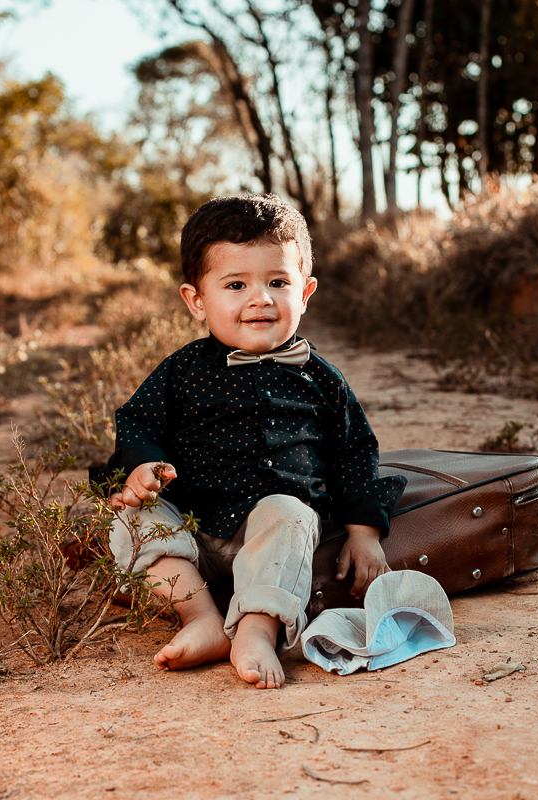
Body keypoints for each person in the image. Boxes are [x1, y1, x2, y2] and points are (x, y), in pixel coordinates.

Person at [94, 194, 405, 689]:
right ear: (197, 300)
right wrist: (143, 466)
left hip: (272, 535)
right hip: (191, 526)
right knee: (132, 516)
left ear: (305, 292)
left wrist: (364, 532)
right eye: (236, 284)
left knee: (292, 512)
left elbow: (354, 453)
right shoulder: (182, 372)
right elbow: (139, 423)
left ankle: (256, 630)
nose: (260, 298)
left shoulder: (322, 380)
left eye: (278, 282)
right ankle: (198, 617)